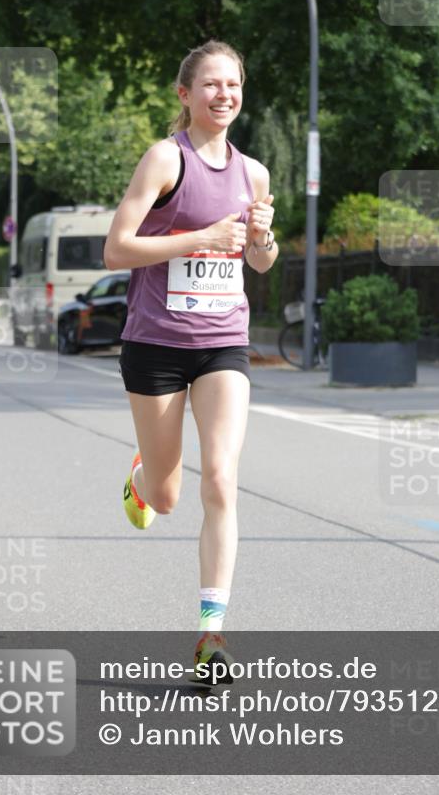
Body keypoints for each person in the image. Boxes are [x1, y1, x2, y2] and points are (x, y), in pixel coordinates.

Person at [104, 40, 278, 679]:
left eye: (232, 85)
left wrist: (261, 240)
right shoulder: (164, 160)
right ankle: (144, 475)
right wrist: (199, 237)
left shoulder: (253, 173)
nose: (223, 95)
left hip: (223, 342)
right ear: (185, 94)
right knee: (168, 496)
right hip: (155, 344)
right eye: (210, 85)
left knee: (222, 478)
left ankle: (211, 636)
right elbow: (116, 250)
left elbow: (257, 262)